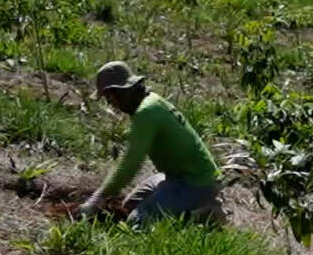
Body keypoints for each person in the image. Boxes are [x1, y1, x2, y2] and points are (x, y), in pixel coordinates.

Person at [78, 61, 224, 224]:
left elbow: (129, 164)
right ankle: (185, 207)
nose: (111, 104)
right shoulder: (152, 102)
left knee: (137, 221)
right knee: (128, 207)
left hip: (196, 182)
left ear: (120, 92)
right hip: (174, 176)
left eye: (109, 98)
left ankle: (202, 215)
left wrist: (97, 198)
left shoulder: (147, 112)